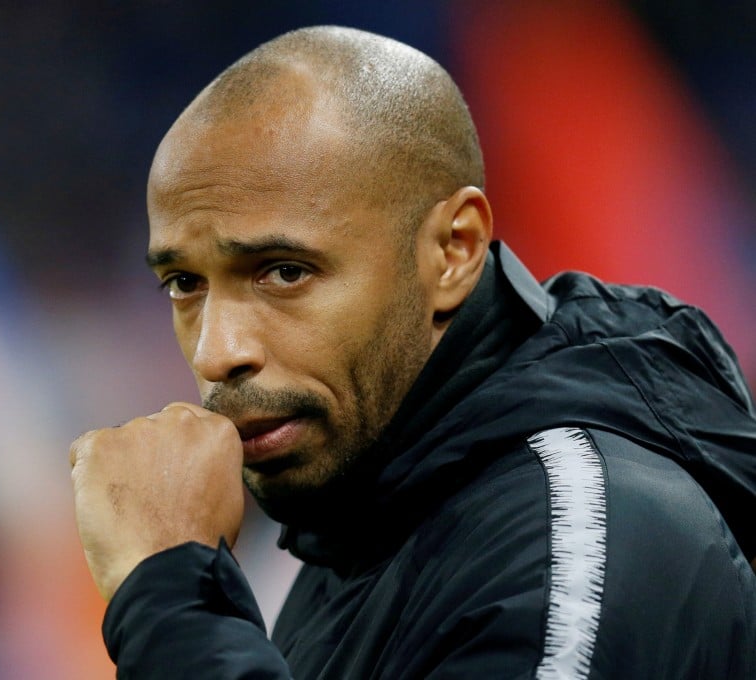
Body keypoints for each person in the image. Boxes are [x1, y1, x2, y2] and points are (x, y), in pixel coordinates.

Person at [69, 26, 756, 678]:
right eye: (185, 284)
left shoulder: (574, 542)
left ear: (453, 250)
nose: (218, 353)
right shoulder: (360, 517)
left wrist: (172, 597)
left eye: (285, 272)